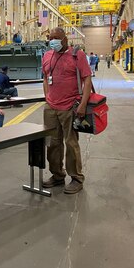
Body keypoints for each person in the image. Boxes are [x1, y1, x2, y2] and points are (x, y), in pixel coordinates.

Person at [42, 27, 92, 194]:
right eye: (51, 37)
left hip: (70, 106)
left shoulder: (77, 55)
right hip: (51, 107)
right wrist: (47, 97)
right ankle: (57, 175)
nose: (53, 40)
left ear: (65, 39)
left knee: (71, 144)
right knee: (52, 144)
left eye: (56, 37)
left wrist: (83, 104)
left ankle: (76, 178)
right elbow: (45, 77)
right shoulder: (47, 55)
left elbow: (87, 79)